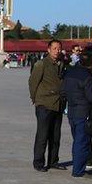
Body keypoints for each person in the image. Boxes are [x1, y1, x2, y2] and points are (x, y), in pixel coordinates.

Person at [28, 40, 65, 172]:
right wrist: (35, 98)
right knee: (43, 135)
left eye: (59, 48)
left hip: (58, 104)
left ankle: (53, 161)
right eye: (54, 48)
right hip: (44, 104)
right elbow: (33, 82)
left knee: (55, 136)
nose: (57, 51)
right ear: (48, 50)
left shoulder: (61, 63)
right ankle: (38, 162)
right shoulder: (41, 64)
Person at [62, 49, 92, 179]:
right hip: (83, 111)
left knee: (77, 140)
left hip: (72, 110)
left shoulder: (70, 73)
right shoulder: (87, 77)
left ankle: (77, 166)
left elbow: (64, 91)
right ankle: (78, 170)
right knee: (82, 141)